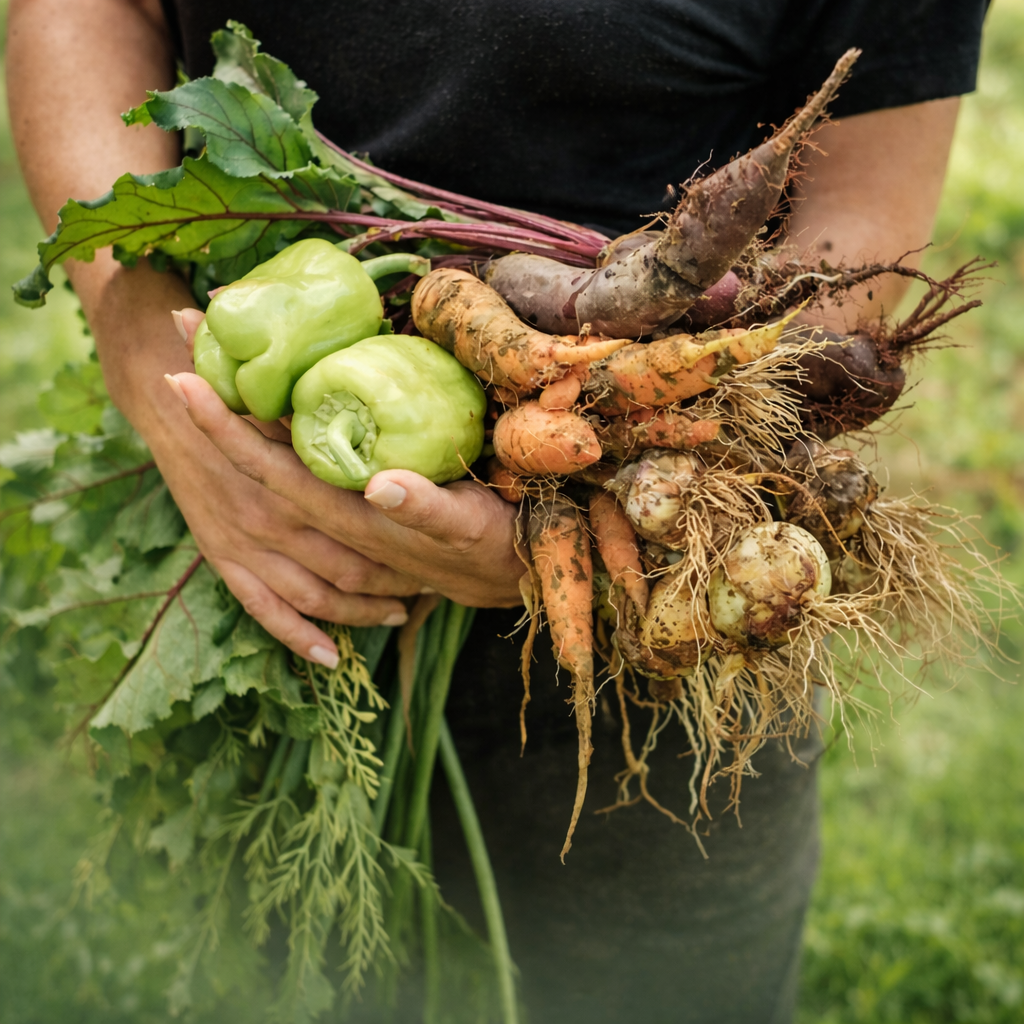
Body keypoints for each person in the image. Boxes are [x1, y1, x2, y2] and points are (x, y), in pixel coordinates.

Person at [6, 1, 986, 1019]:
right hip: (266, 533)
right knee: (286, 968)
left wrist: (637, 452)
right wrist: (145, 346)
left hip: (676, 574)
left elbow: (869, 179)